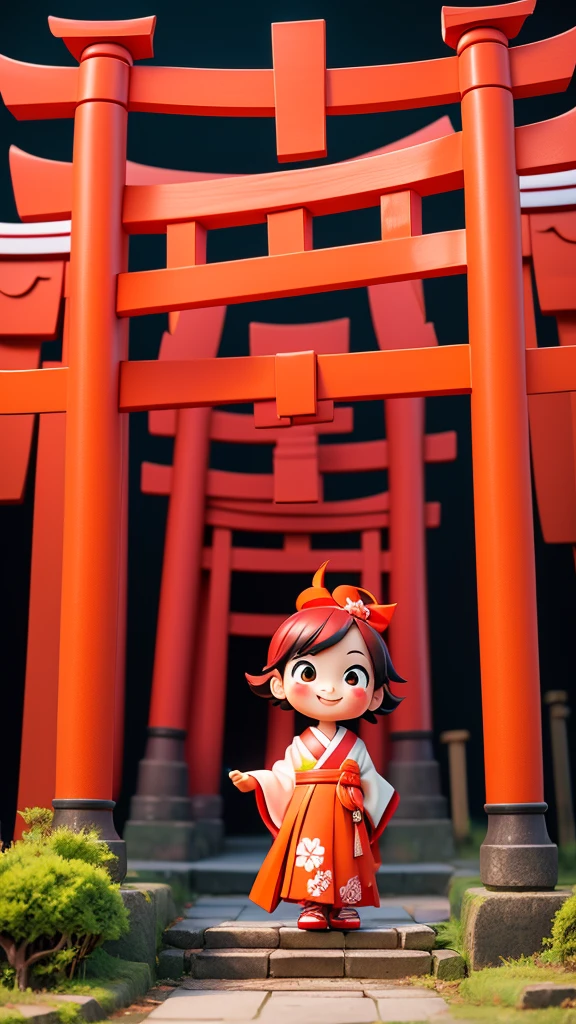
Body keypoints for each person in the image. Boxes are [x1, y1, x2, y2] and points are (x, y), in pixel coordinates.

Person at [229, 562, 405, 931]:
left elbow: (374, 783)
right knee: (310, 853)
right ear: (279, 684)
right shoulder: (302, 744)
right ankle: (311, 904)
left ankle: (342, 906)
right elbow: (283, 775)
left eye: (351, 676)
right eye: (309, 673)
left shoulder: (353, 746)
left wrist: (362, 795)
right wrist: (258, 781)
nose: (329, 689)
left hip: (345, 808)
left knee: (345, 855)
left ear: (374, 695)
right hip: (308, 808)